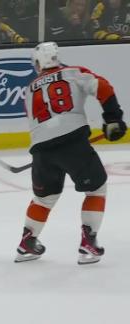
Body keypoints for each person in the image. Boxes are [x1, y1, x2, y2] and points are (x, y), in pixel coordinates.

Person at [16, 42, 126, 265]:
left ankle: (27, 243)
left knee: (43, 198)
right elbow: (103, 87)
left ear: (37, 63)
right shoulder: (74, 73)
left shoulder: (29, 90)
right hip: (73, 144)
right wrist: (113, 118)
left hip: (41, 150)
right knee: (96, 189)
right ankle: (88, 244)